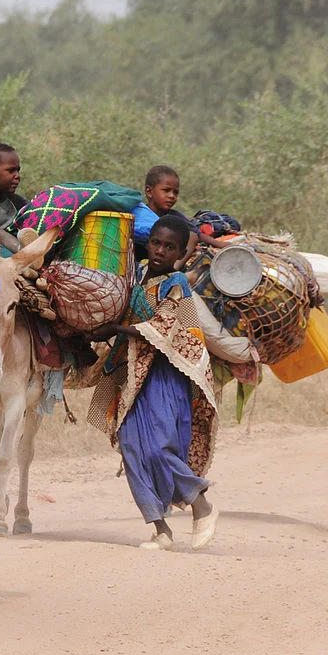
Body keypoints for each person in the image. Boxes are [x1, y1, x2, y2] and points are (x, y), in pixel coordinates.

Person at [87, 215, 220, 551]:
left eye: (169, 247)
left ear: (181, 253)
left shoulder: (176, 282)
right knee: (132, 447)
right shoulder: (137, 275)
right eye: (157, 243)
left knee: (159, 448)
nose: (160, 250)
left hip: (166, 373)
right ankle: (160, 529)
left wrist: (114, 330)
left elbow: (164, 328)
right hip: (133, 376)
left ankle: (201, 504)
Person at [131, 165, 189, 261]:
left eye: (175, 192)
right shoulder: (138, 215)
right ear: (149, 192)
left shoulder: (175, 217)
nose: (172, 196)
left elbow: (194, 234)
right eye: (166, 190)